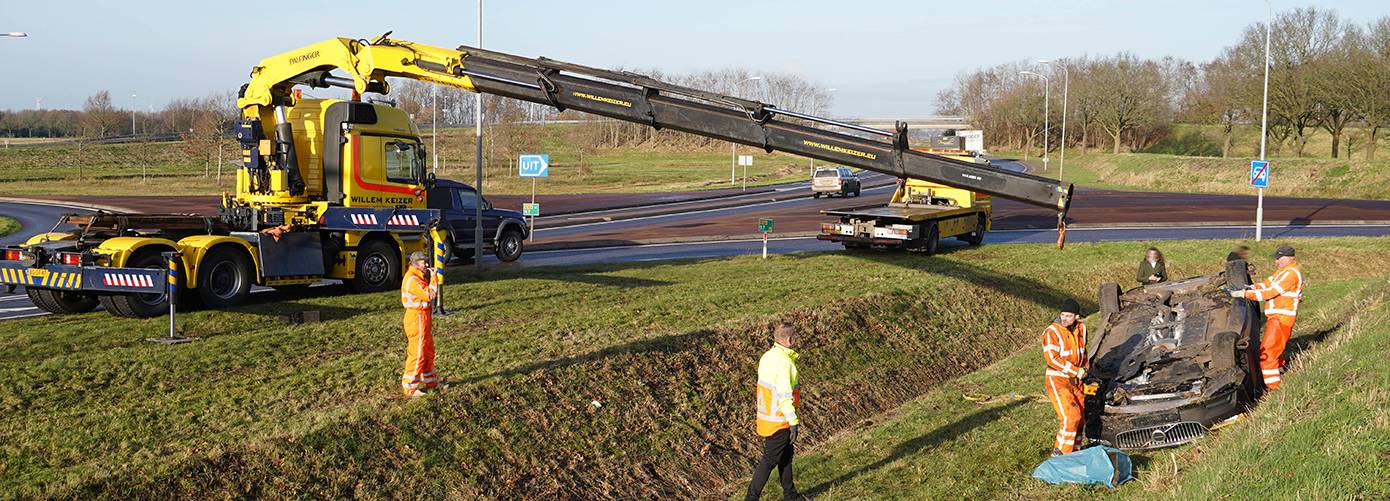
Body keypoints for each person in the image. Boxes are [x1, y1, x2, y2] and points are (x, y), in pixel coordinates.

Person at [1229, 245, 1303, 390]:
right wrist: (1250, 287)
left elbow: (1268, 293)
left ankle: (1274, 388)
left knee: (1267, 354)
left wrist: (1243, 294)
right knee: (1274, 350)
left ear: (1289, 258)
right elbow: (1266, 285)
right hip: (1277, 318)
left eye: (1278, 258)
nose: (1276, 261)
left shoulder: (1291, 274)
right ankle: (1279, 371)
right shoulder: (1282, 272)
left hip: (1281, 319)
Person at [747, 323, 803, 501]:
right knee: (769, 461)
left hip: (768, 417)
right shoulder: (784, 363)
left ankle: (791, 494)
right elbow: (785, 396)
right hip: (780, 420)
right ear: (789, 339)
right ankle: (751, 498)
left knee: (786, 455)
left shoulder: (767, 357)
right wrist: (793, 422)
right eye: (796, 337)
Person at [1043, 298, 1088, 455]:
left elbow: (1083, 352)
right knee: (1071, 417)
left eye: (1068, 316)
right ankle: (1060, 455)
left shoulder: (1082, 328)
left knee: (1081, 417)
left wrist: (1085, 371)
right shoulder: (1052, 332)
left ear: (1076, 316)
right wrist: (1075, 371)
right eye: (1062, 315)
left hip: (1077, 380)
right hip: (1058, 380)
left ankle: (1075, 451)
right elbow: (1052, 359)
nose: (1064, 319)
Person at [400, 251, 440, 397]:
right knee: (417, 353)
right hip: (416, 319)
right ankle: (410, 388)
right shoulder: (412, 279)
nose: (426, 264)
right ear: (415, 263)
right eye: (424, 262)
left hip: (422, 318)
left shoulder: (417, 277)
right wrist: (434, 277)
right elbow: (429, 295)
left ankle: (431, 382)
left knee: (427, 350)